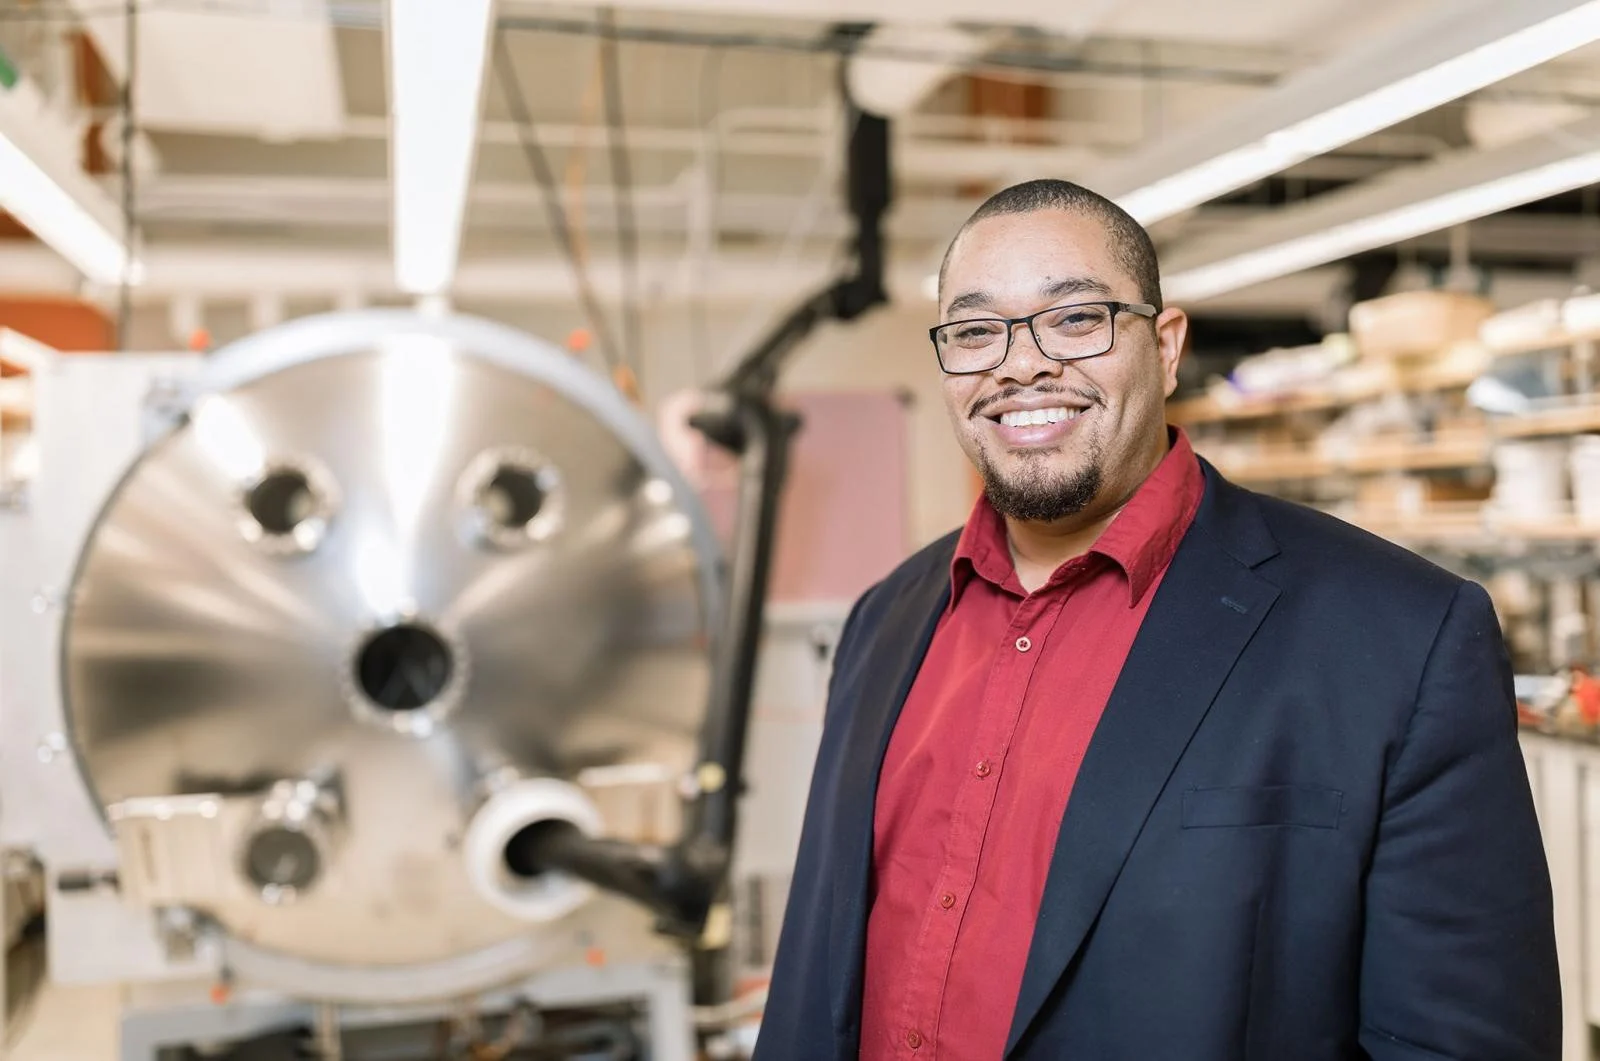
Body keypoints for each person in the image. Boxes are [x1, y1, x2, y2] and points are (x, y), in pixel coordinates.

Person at [753, 178, 1561, 1061]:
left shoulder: (1401, 637)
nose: (1021, 365)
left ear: (1167, 347)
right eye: (978, 331)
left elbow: (1463, 1041)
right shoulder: (887, 619)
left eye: (1074, 319)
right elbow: (816, 975)